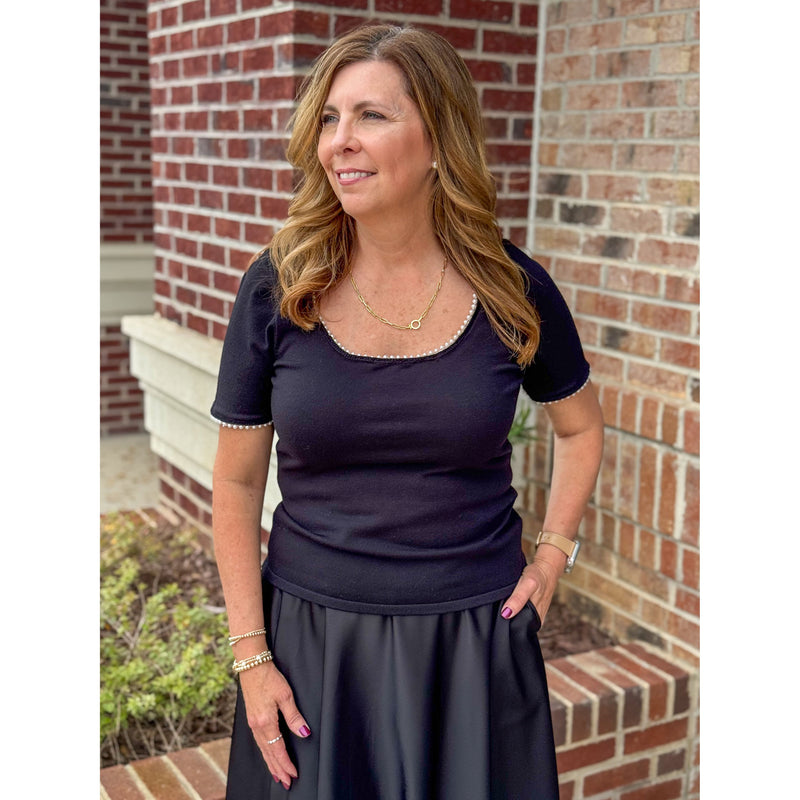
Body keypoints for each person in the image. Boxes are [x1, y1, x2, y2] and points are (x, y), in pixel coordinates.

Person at [210, 23, 604, 800]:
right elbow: (235, 484)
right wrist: (253, 656)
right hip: (313, 648)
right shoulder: (279, 287)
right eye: (329, 118)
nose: (339, 143)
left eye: (371, 116)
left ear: (438, 140)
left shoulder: (511, 289)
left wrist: (554, 553)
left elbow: (582, 426)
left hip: (472, 647)